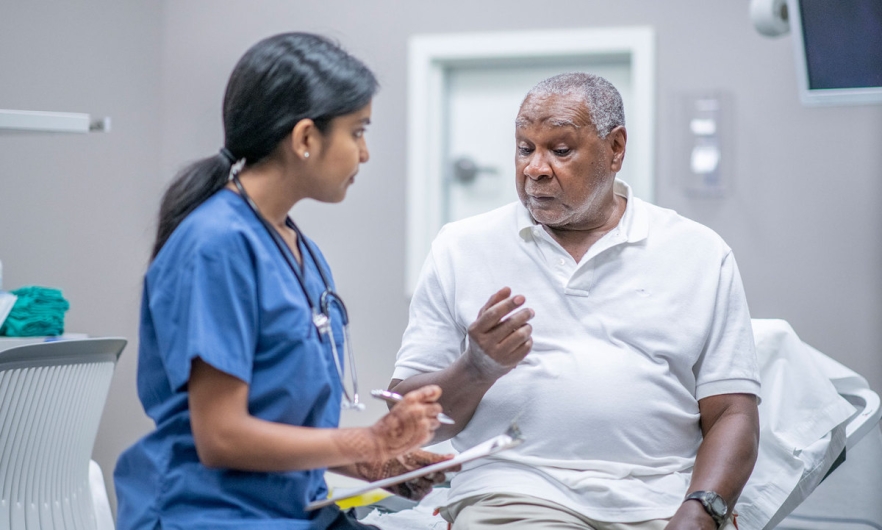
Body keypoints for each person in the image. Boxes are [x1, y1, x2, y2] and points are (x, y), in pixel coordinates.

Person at [390, 73, 761, 530]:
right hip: (517, 493)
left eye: (559, 150)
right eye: (525, 148)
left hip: (663, 497)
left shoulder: (699, 252)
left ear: (615, 149)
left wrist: (702, 509)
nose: (535, 168)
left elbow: (732, 411)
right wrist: (477, 367)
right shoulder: (461, 248)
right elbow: (404, 425)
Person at [114, 32, 453, 530]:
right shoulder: (216, 245)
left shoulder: (299, 251)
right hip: (212, 515)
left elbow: (286, 430)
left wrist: (380, 463)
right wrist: (368, 442)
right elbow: (221, 437)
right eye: (357, 132)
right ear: (305, 139)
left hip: (294, 509)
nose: (365, 154)